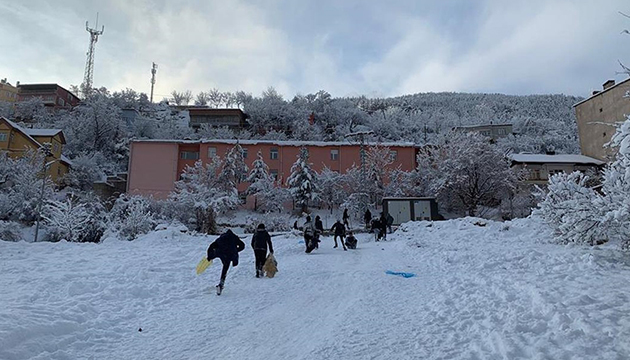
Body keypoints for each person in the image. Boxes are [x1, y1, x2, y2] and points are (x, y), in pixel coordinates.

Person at [207, 229, 245, 295]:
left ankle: (220, 285)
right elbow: (242, 246)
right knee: (225, 268)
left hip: (221, 253)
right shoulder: (234, 237)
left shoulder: (222, 237)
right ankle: (221, 284)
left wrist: (210, 255)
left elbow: (212, 245)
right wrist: (236, 250)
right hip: (230, 254)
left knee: (223, 261)